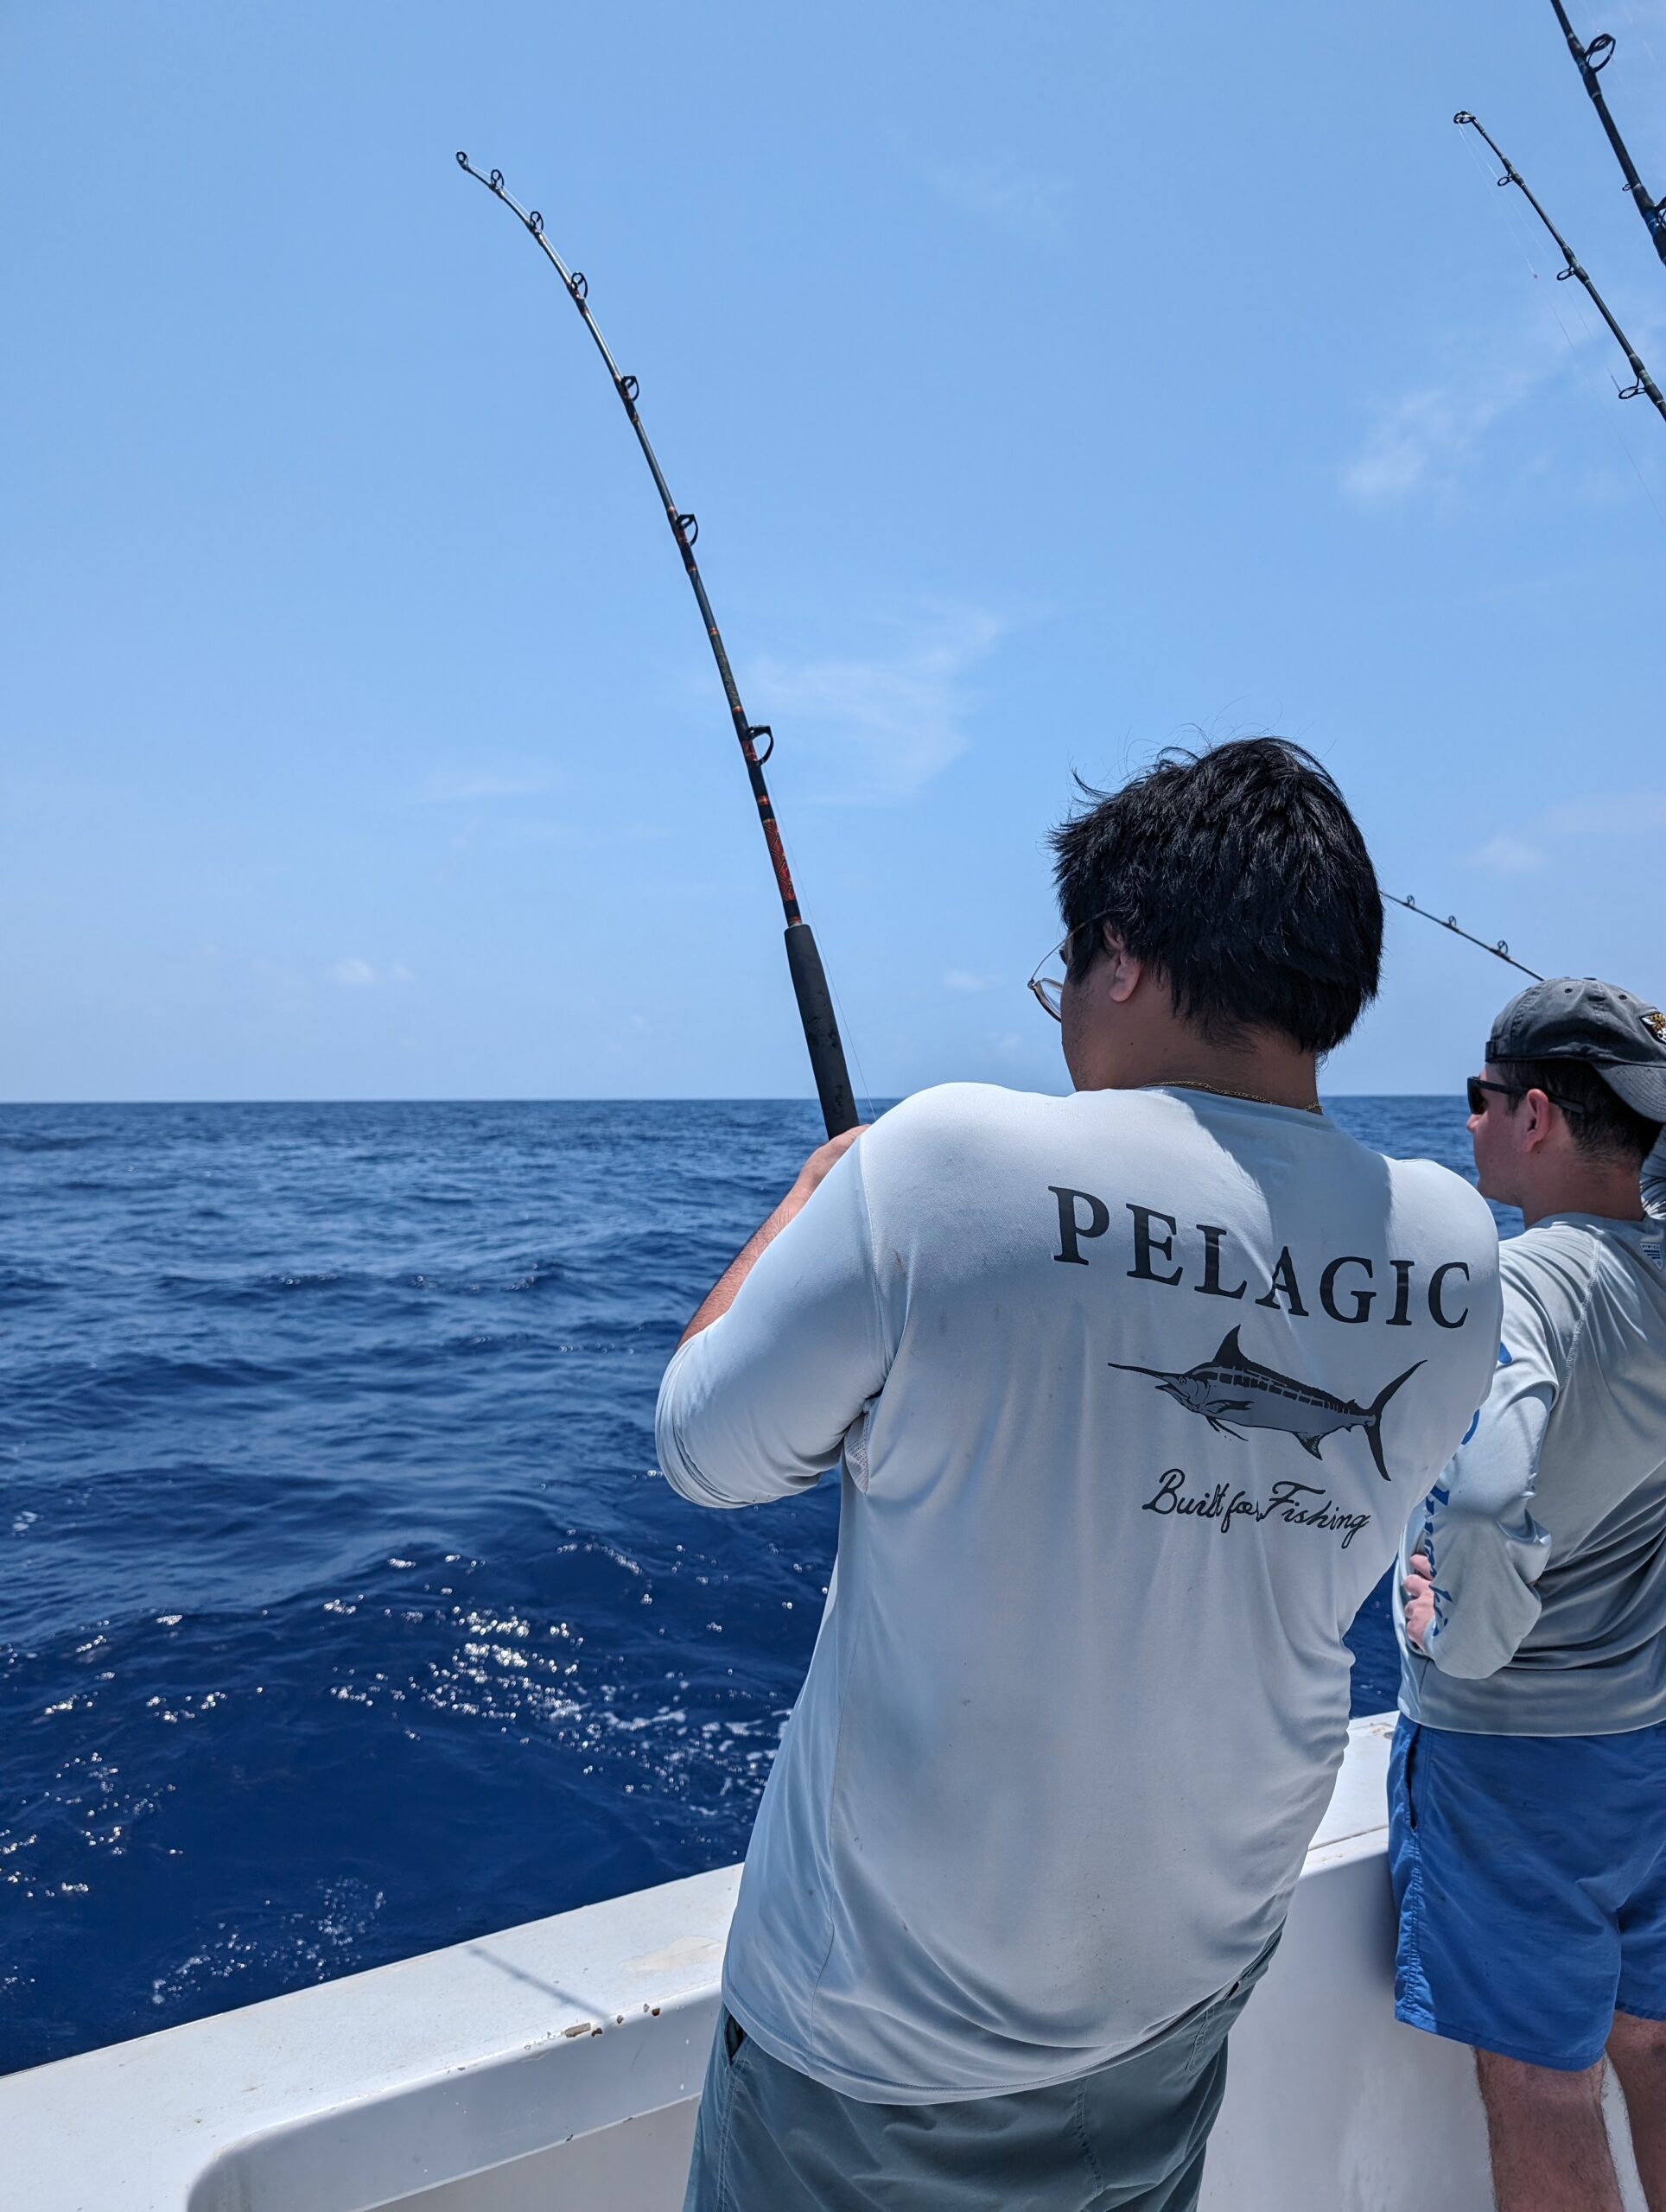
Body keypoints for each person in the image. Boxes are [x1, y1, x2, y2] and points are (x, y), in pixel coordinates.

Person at [657, 738, 1501, 2212]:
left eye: (1063, 981)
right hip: (1188, 1993)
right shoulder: (1451, 1250)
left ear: (1119, 954)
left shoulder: (937, 1165)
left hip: (878, 2051)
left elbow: (697, 1448)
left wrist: (816, 1198)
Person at [1395, 978, 1666, 2212]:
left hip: (1522, 1771)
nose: (1470, 1124)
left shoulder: (1525, 1282)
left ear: (1540, 1115)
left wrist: (1461, 1640)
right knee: (1655, 2048)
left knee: (1545, 2088)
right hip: (1649, 1749)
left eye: (1480, 1099)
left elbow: (1492, 1498)